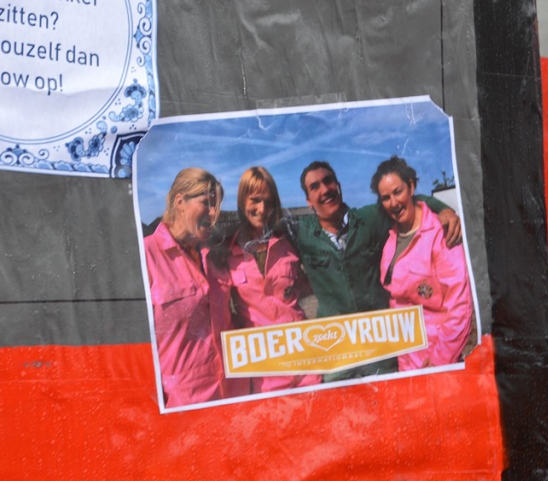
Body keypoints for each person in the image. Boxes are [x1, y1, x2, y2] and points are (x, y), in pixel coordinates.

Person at [296, 160, 461, 378]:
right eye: (315, 186)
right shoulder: (301, 233)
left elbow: (408, 199)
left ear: (339, 186)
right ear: (308, 200)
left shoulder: (369, 219)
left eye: (328, 181)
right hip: (336, 354)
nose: (324, 189)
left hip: (381, 349)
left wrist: (442, 208)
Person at [208, 167, 321, 393]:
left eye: (268, 203)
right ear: (242, 201)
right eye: (255, 200)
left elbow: (310, 284)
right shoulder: (225, 252)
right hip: (264, 374)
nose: (262, 209)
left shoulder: (289, 241)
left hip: (305, 363)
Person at [143, 168, 249, 407]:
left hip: (236, 397)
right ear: (180, 201)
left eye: (217, 205)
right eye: (207, 203)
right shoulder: (146, 255)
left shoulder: (216, 256)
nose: (214, 213)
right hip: (185, 407)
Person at [371, 156, 474, 369]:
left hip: (434, 359)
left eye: (398, 192)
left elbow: (460, 306)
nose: (394, 203)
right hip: (405, 358)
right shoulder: (390, 240)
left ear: (411, 186)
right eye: (386, 198)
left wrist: (440, 360)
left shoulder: (440, 233)